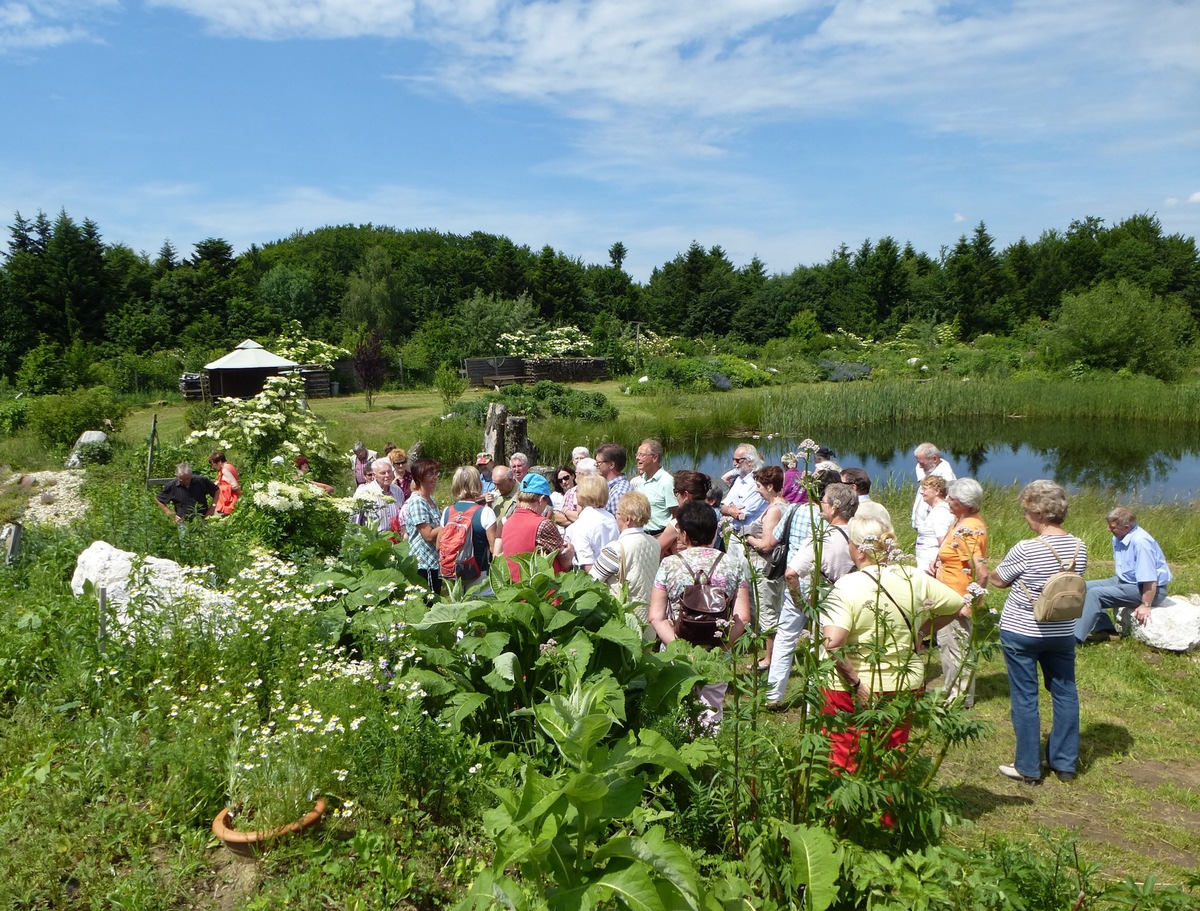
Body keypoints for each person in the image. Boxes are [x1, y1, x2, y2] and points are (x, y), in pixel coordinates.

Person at [821, 513, 963, 772]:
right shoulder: (914, 578)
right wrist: (921, 632)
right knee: (891, 756)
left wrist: (857, 683)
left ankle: (843, 812)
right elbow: (955, 605)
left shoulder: (847, 585)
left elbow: (832, 643)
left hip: (850, 690)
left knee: (844, 757)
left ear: (859, 550)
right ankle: (887, 810)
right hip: (903, 684)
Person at [988, 480, 1088, 784]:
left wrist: (986, 571)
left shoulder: (1027, 548)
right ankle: (1065, 764)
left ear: (1038, 513)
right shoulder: (1079, 546)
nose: (1024, 517)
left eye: (1025, 512)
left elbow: (999, 580)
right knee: (1065, 692)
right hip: (1061, 631)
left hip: (1022, 630)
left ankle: (1028, 767)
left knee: (1025, 696)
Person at [649, 500, 752, 729]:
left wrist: (679, 648)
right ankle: (709, 759)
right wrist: (723, 647)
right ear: (715, 531)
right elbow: (743, 617)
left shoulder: (669, 565)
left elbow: (656, 616)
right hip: (717, 650)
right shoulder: (733, 565)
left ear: (683, 534)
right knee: (711, 710)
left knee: (677, 706)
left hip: (678, 650)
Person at [767, 482, 859, 706]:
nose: (821, 507)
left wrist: (799, 601)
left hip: (808, 596)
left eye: (824, 502)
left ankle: (774, 695)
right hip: (839, 599)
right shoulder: (859, 537)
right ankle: (817, 702)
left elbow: (791, 573)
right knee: (823, 647)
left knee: (786, 639)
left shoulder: (821, 537)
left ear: (835, 508)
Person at [1075, 507, 1172, 643]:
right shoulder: (1120, 536)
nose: (1109, 529)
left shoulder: (1141, 543)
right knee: (1081, 587)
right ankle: (1106, 630)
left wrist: (1146, 604)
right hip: (1126, 581)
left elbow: (1150, 579)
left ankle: (1073, 639)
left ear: (1127, 527)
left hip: (1149, 590)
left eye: (1113, 527)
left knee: (1095, 594)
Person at [934, 478, 988, 707]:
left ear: (965, 503)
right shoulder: (960, 520)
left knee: (957, 648)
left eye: (952, 498)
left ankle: (960, 698)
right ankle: (951, 690)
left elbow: (981, 572)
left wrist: (970, 604)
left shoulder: (971, 528)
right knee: (947, 645)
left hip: (958, 599)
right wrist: (936, 562)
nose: (947, 500)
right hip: (948, 597)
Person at [590, 491, 662, 641]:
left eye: (617, 513)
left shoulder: (616, 548)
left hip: (624, 622)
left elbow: (591, 581)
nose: (616, 517)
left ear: (627, 519)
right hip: (648, 619)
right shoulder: (655, 544)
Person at [743, 465, 791, 672]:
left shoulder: (774, 510)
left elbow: (766, 544)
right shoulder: (786, 505)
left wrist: (748, 537)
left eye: (759, 485)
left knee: (768, 612)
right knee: (772, 609)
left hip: (766, 567)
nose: (757, 489)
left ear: (770, 486)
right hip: (776, 567)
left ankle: (769, 658)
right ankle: (772, 654)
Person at [499, 473, 573, 581]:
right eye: (546, 502)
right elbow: (564, 558)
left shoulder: (507, 522)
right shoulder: (543, 524)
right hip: (542, 592)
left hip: (516, 589)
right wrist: (570, 552)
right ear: (541, 499)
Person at [441, 466, 499, 580]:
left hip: (453, 573)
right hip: (479, 575)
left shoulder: (447, 511)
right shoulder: (486, 512)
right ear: (478, 484)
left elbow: (440, 543)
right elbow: (494, 550)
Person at [403, 458, 443, 593]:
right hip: (424, 564)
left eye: (436, 473)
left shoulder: (431, 499)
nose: (435, 477)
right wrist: (448, 523)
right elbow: (428, 535)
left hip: (434, 562)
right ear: (420, 477)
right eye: (430, 474)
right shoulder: (417, 502)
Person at [563, 474, 619, 572]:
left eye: (578, 490)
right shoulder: (611, 518)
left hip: (592, 580)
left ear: (584, 495)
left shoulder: (581, 524)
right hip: (613, 573)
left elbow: (586, 564)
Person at [658, 470, 712, 558]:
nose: (676, 496)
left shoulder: (678, 524)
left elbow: (655, 551)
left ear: (686, 495)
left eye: (676, 492)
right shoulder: (711, 518)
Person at [720, 444, 767, 533]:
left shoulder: (758, 482)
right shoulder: (738, 479)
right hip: (735, 532)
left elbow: (742, 514)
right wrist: (730, 510)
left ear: (749, 461)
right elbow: (722, 507)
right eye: (733, 460)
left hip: (752, 535)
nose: (734, 464)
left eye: (738, 460)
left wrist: (729, 508)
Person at [353, 458, 406, 534]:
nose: (387, 475)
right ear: (375, 476)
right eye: (383, 473)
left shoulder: (397, 491)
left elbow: (403, 516)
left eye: (389, 472)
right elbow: (355, 522)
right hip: (373, 541)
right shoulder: (363, 493)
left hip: (396, 540)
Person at [910, 442, 956, 530]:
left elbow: (949, 504)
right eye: (918, 462)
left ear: (934, 458)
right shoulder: (922, 468)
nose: (919, 466)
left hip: (934, 528)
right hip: (922, 527)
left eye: (922, 463)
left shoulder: (947, 477)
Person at [914, 476, 954, 573]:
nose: (921, 492)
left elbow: (943, 541)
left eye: (925, 489)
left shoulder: (940, 513)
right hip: (926, 563)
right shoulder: (936, 510)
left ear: (936, 491)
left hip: (931, 565)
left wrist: (937, 561)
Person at [634, 439, 674, 534]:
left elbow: (676, 513)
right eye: (637, 454)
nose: (637, 458)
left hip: (660, 534)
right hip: (642, 533)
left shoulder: (667, 481)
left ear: (655, 458)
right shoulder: (641, 479)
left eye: (642, 455)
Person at [595, 443, 631, 517]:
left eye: (598, 463)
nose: (596, 465)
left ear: (611, 465)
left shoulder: (619, 493)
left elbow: (621, 524)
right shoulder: (610, 487)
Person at [207, 451, 242, 516]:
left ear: (219, 462)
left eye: (214, 465)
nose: (213, 467)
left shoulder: (225, 470)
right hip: (230, 499)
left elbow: (235, 486)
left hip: (228, 501)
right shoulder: (230, 466)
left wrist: (220, 487)